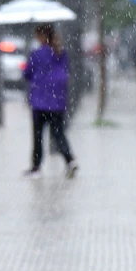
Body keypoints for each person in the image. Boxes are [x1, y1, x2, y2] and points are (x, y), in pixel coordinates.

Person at [23, 24, 77, 179]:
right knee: (59, 133)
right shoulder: (61, 53)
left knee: (38, 135)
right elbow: (66, 70)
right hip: (57, 101)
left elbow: (27, 73)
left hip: (40, 101)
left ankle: (36, 167)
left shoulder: (36, 54)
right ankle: (70, 160)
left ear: (41, 36)